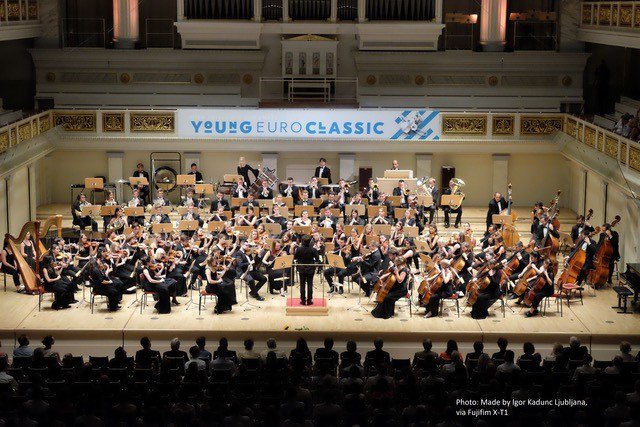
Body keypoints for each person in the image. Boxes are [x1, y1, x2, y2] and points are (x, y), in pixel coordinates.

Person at [294, 235, 320, 305]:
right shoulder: (313, 249)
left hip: (301, 268)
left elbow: (295, 257)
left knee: (302, 285)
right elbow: (317, 259)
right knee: (310, 284)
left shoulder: (299, 249)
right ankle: (309, 301)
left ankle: (302, 300)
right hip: (311, 269)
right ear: (310, 242)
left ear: (302, 242)